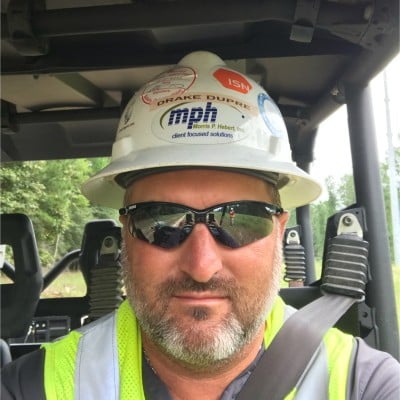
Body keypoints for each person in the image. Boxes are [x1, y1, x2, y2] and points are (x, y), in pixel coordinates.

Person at [2, 51, 399, 400]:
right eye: (161, 221)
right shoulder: (32, 387)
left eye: (240, 221)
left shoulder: (365, 384)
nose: (202, 266)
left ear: (279, 231)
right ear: (126, 233)